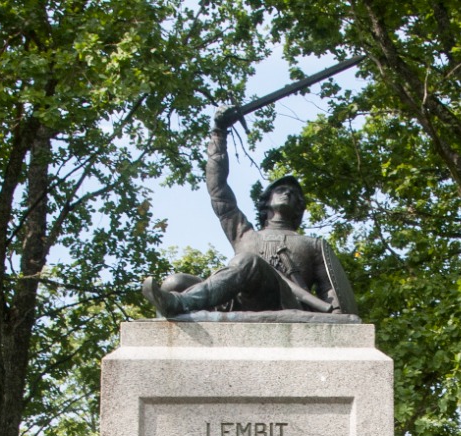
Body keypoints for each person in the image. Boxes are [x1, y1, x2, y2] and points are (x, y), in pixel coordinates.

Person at [142, 114, 358, 318]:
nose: (288, 193)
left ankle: (179, 303)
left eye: (294, 194)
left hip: (284, 304)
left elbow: (332, 294)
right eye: (281, 189)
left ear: (299, 208)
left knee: (248, 261)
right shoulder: (243, 234)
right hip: (237, 302)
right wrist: (219, 133)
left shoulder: (313, 244)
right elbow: (218, 189)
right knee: (174, 283)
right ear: (267, 201)